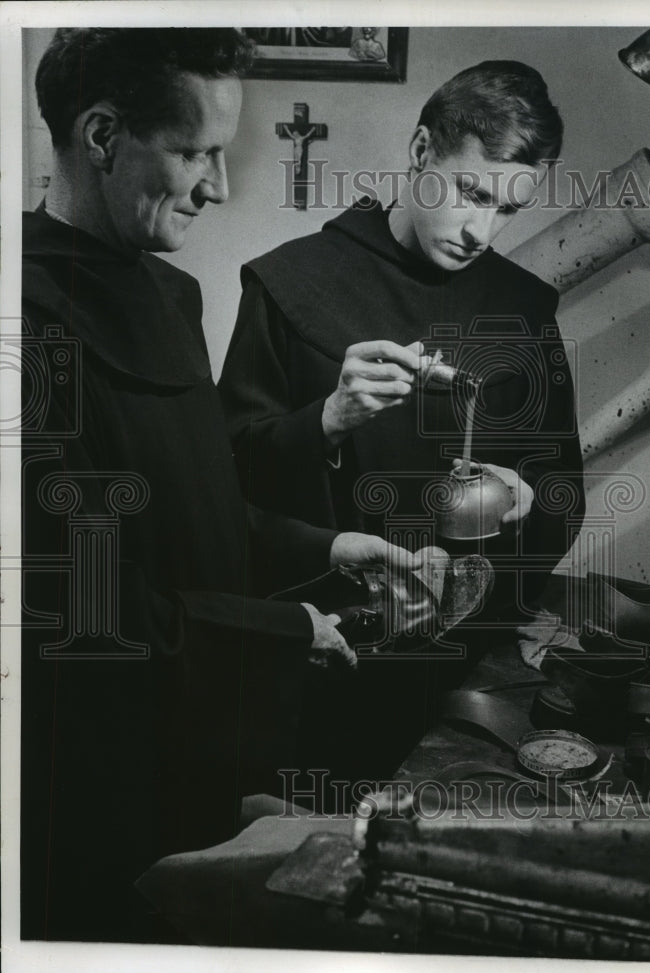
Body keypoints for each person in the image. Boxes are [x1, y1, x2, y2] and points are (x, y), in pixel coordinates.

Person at [20, 27, 418, 944]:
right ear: (102, 135)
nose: (219, 186)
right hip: (94, 780)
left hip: (194, 743)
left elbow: (194, 508)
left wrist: (328, 546)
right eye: (195, 152)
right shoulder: (24, 327)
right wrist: (285, 632)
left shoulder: (170, 296)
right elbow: (81, 611)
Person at [218, 60, 586, 788]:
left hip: (463, 675)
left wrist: (527, 499)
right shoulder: (290, 284)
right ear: (421, 153)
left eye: (506, 210)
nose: (480, 231)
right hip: (326, 663)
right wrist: (326, 421)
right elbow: (225, 480)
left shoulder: (522, 310)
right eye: (470, 192)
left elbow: (562, 489)